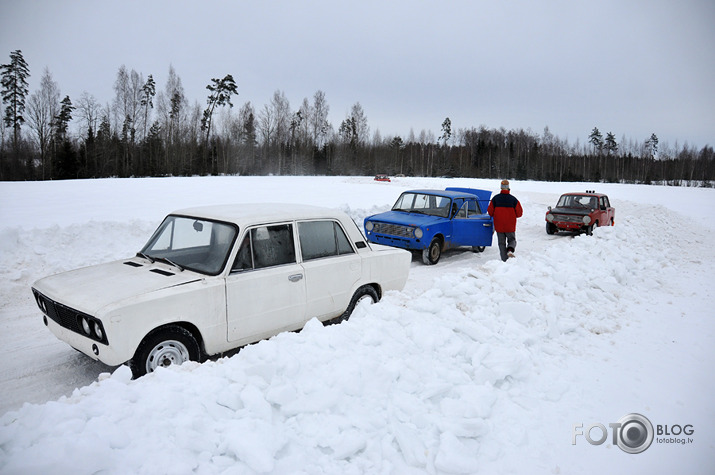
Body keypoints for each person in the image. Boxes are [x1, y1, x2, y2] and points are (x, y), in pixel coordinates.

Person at [487, 179, 523, 261]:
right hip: (510, 226)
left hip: (499, 225)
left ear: (501, 188)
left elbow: (490, 212)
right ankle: (510, 250)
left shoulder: (495, 199)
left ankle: (504, 260)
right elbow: (519, 213)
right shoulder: (513, 200)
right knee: (512, 240)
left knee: (501, 243)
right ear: (508, 188)